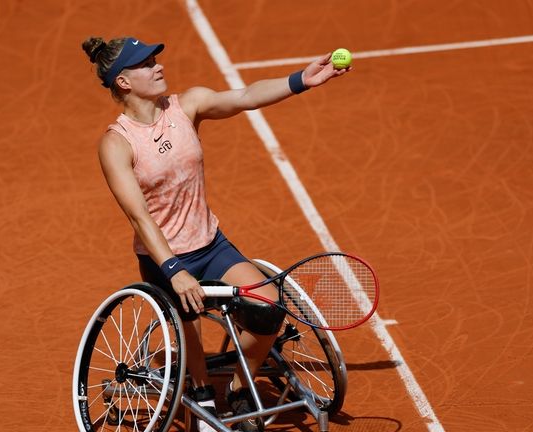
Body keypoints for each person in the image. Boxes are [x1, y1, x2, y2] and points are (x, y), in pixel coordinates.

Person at [82, 35, 350, 432]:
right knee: (187, 322)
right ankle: (201, 388)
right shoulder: (116, 144)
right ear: (123, 82)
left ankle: (242, 387)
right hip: (166, 259)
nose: (157, 66)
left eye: (156, 58)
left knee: (268, 309)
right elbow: (139, 217)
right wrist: (174, 269)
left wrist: (300, 81)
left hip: (212, 246)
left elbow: (244, 96)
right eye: (145, 64)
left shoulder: (186, 105)